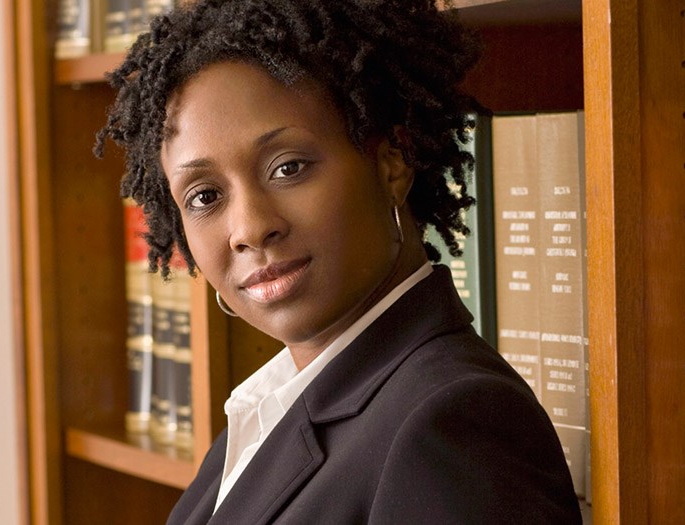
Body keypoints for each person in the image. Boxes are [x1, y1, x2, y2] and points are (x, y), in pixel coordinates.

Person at [95, 0, 579, 523]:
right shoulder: (267, 411)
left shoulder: (455, 425)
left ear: (392, 161)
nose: (251, 228)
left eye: (288, 167)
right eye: (205, 197)